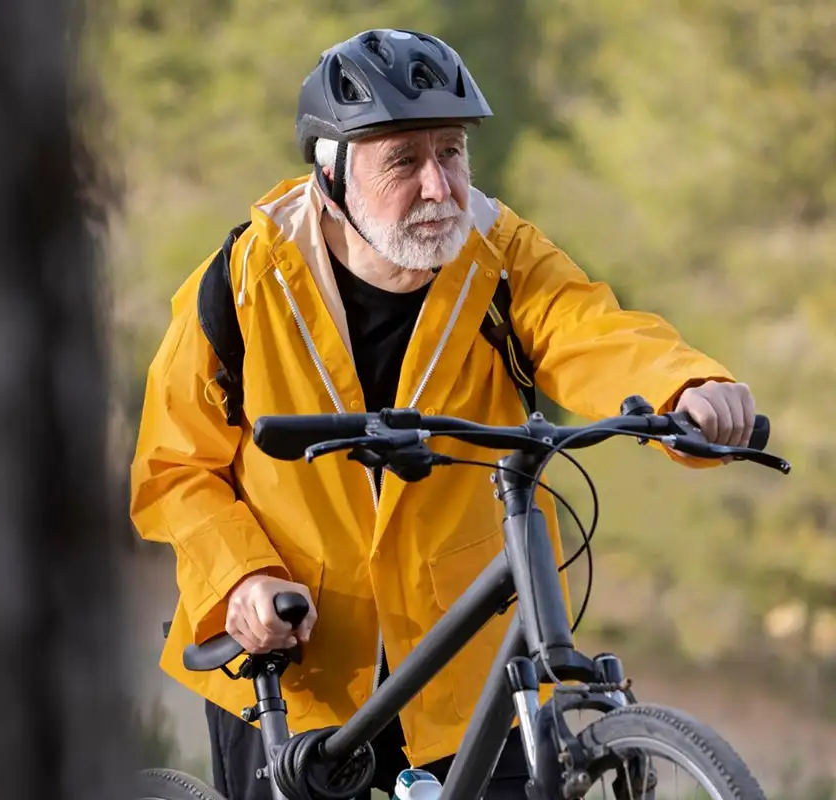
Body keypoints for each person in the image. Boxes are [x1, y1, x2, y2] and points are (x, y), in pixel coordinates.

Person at [129, 28, 756, 800]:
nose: (439, 186)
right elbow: (173, 469)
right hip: (299, 657)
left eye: (452, 152)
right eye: (403, 161)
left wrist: (683, 386)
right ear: (331, 172)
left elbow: (588, 330)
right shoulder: (243, 283)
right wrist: (243, 578)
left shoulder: (500, 256)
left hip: (466, 664)